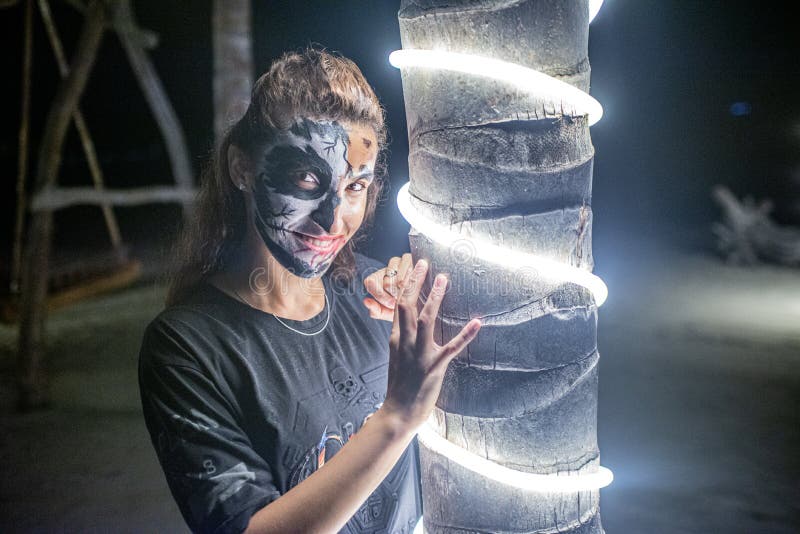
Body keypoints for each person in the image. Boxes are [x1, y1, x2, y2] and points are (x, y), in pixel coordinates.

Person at [138, 47, 481, 534]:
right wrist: (397, 416)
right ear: (242, 169)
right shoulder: (186, 348)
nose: (331, 218)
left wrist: (431, 324)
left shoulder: (373, 295)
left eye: (355, 187)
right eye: (306, 178)